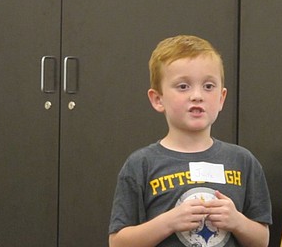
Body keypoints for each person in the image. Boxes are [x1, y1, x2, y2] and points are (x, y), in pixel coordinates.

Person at [108, 35, 272, 247]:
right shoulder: (141, 164)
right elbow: (117, 243)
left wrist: (237, 222)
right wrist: (169, 222)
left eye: (208, 86)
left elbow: (262, 240)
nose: (197, 96)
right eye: (183, 86)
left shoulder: (243, 161)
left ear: (222, 98)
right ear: (158, 99)